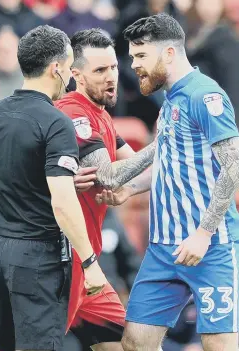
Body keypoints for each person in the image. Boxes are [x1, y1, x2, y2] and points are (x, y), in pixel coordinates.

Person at [0, 25, 107, 351]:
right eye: (69, 68)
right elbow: (63, 202)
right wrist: (90, 262)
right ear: (57, 69)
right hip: (39, 258)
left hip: (1, 254)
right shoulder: (55, 122)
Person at [119, 13, 239, 351]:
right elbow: (172, 165)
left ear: (169, 53)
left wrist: (203, 234)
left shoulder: (206, 96)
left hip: (211, 247)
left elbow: (233, 166)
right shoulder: (169, 99)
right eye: (132, 57)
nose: (134, 65)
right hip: (163, 249)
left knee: (220, 346)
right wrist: (130, 187)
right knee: (136, 342)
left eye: (141, 56)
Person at [55, 28, 156, 351]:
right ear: (76, 75)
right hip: (63, 262)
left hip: (89, 265)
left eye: (113, 67)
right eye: (100, 70)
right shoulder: (74, 114)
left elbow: (147, 169)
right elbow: (110, 175)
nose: (111, 76)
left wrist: (132, 189)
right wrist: (163, 143)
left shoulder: (102, 116)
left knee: (135, 346)